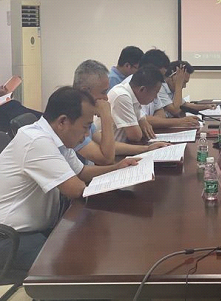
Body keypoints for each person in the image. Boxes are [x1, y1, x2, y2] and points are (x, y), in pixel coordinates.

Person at [0, 87, 138, 272]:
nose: (87, 134)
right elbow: (76, 189)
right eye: (85, 126)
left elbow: (81, 172)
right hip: (11, 238)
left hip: (36, 229)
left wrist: (117, 168)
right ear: (63, 121)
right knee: (74, 266)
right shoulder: (36, 141)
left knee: (88, 249)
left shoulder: (55, 138)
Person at [73, 60, 168, 165]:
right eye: (103, 92)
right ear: (85, 91)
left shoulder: (85, 118)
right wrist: (106, 115)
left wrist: (147, 149)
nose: (106, 98)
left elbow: (113, 146)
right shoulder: (72, 120)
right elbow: (106, 158)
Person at [131, 50, 200, 128]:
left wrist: (156, 121)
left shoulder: (154, 85)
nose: (162, 79)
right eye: (160, 75)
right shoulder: (133, 85)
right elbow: (141, 119)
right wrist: (181, 121)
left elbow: (160, 111)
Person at [108, 64, 164, 143]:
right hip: (110, 148)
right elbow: (135, 136)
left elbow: (142, 124)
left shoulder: (133, 96)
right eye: (155, 93)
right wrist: (140, 122)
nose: (155, 97)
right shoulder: (122, 96)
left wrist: (142, 120)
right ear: (142, 89)